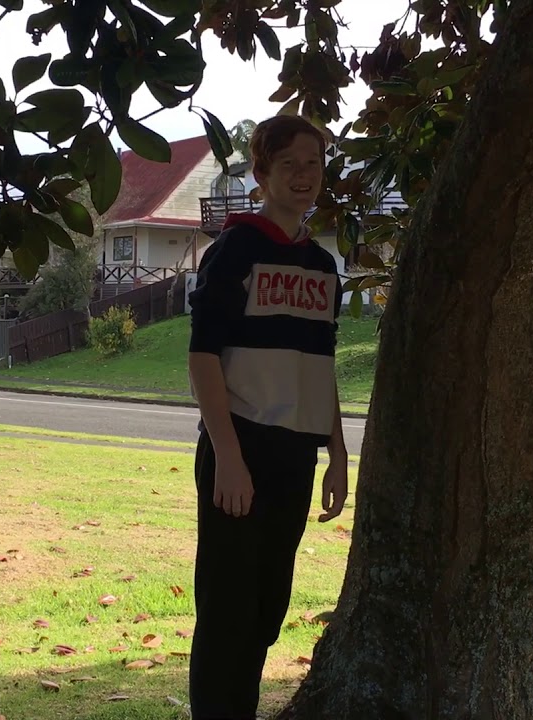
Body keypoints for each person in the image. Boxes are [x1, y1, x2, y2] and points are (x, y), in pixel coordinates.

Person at [186, 115, 350, 720]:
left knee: (265, 608)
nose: (304, 176)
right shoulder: (235, 250)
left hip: (295, 456)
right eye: (289, 165)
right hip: (240, 448)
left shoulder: (322, 267)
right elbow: (202, 357)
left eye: (314, 164)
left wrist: (337, 452)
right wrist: (229, 458)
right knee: (226, 610)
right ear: (261, 174)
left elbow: (320, 365)